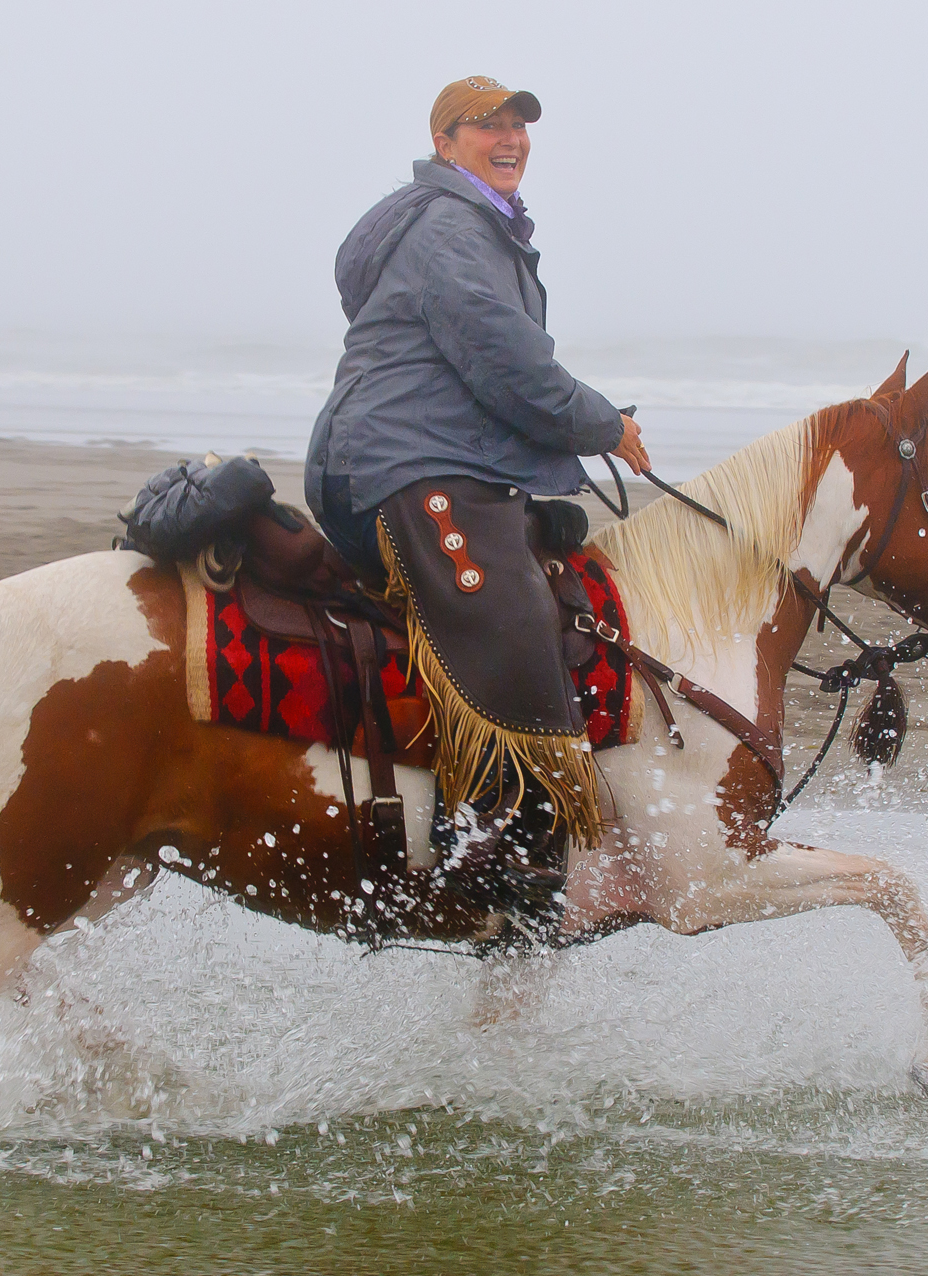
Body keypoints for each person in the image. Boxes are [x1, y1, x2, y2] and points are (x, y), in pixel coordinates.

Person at [305, 76, 650, 916]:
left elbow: (488, 374)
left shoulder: (474, 227)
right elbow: (504, 359)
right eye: (486, 124)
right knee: (514, 620)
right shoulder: (451, 227)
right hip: (407, 464)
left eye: (517, 125)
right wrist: (601, 425)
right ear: (446, 142)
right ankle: (486, 849)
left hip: (428, 453)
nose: (508, 138)